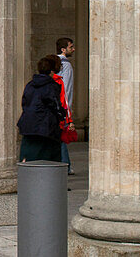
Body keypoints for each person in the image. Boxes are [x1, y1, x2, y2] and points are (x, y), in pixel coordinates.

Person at [17, 55, 66, 162]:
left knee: (29, 156)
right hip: (45, 127)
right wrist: (62, 115)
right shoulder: (51, 86)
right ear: (52, 71)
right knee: (47, 159)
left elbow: (25, 102)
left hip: (28, 124)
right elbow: (55, 105)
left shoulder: (30, 85)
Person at [56, 36, 76, 174]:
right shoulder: (66, 65)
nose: (73, 49)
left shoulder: (55, 63)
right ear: (63, 49)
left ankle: (65, 164)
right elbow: (66, 88)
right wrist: (68, 110)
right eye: (71, 47)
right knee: (61, 137)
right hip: (62, 105)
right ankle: (65, 165)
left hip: (53, 104)